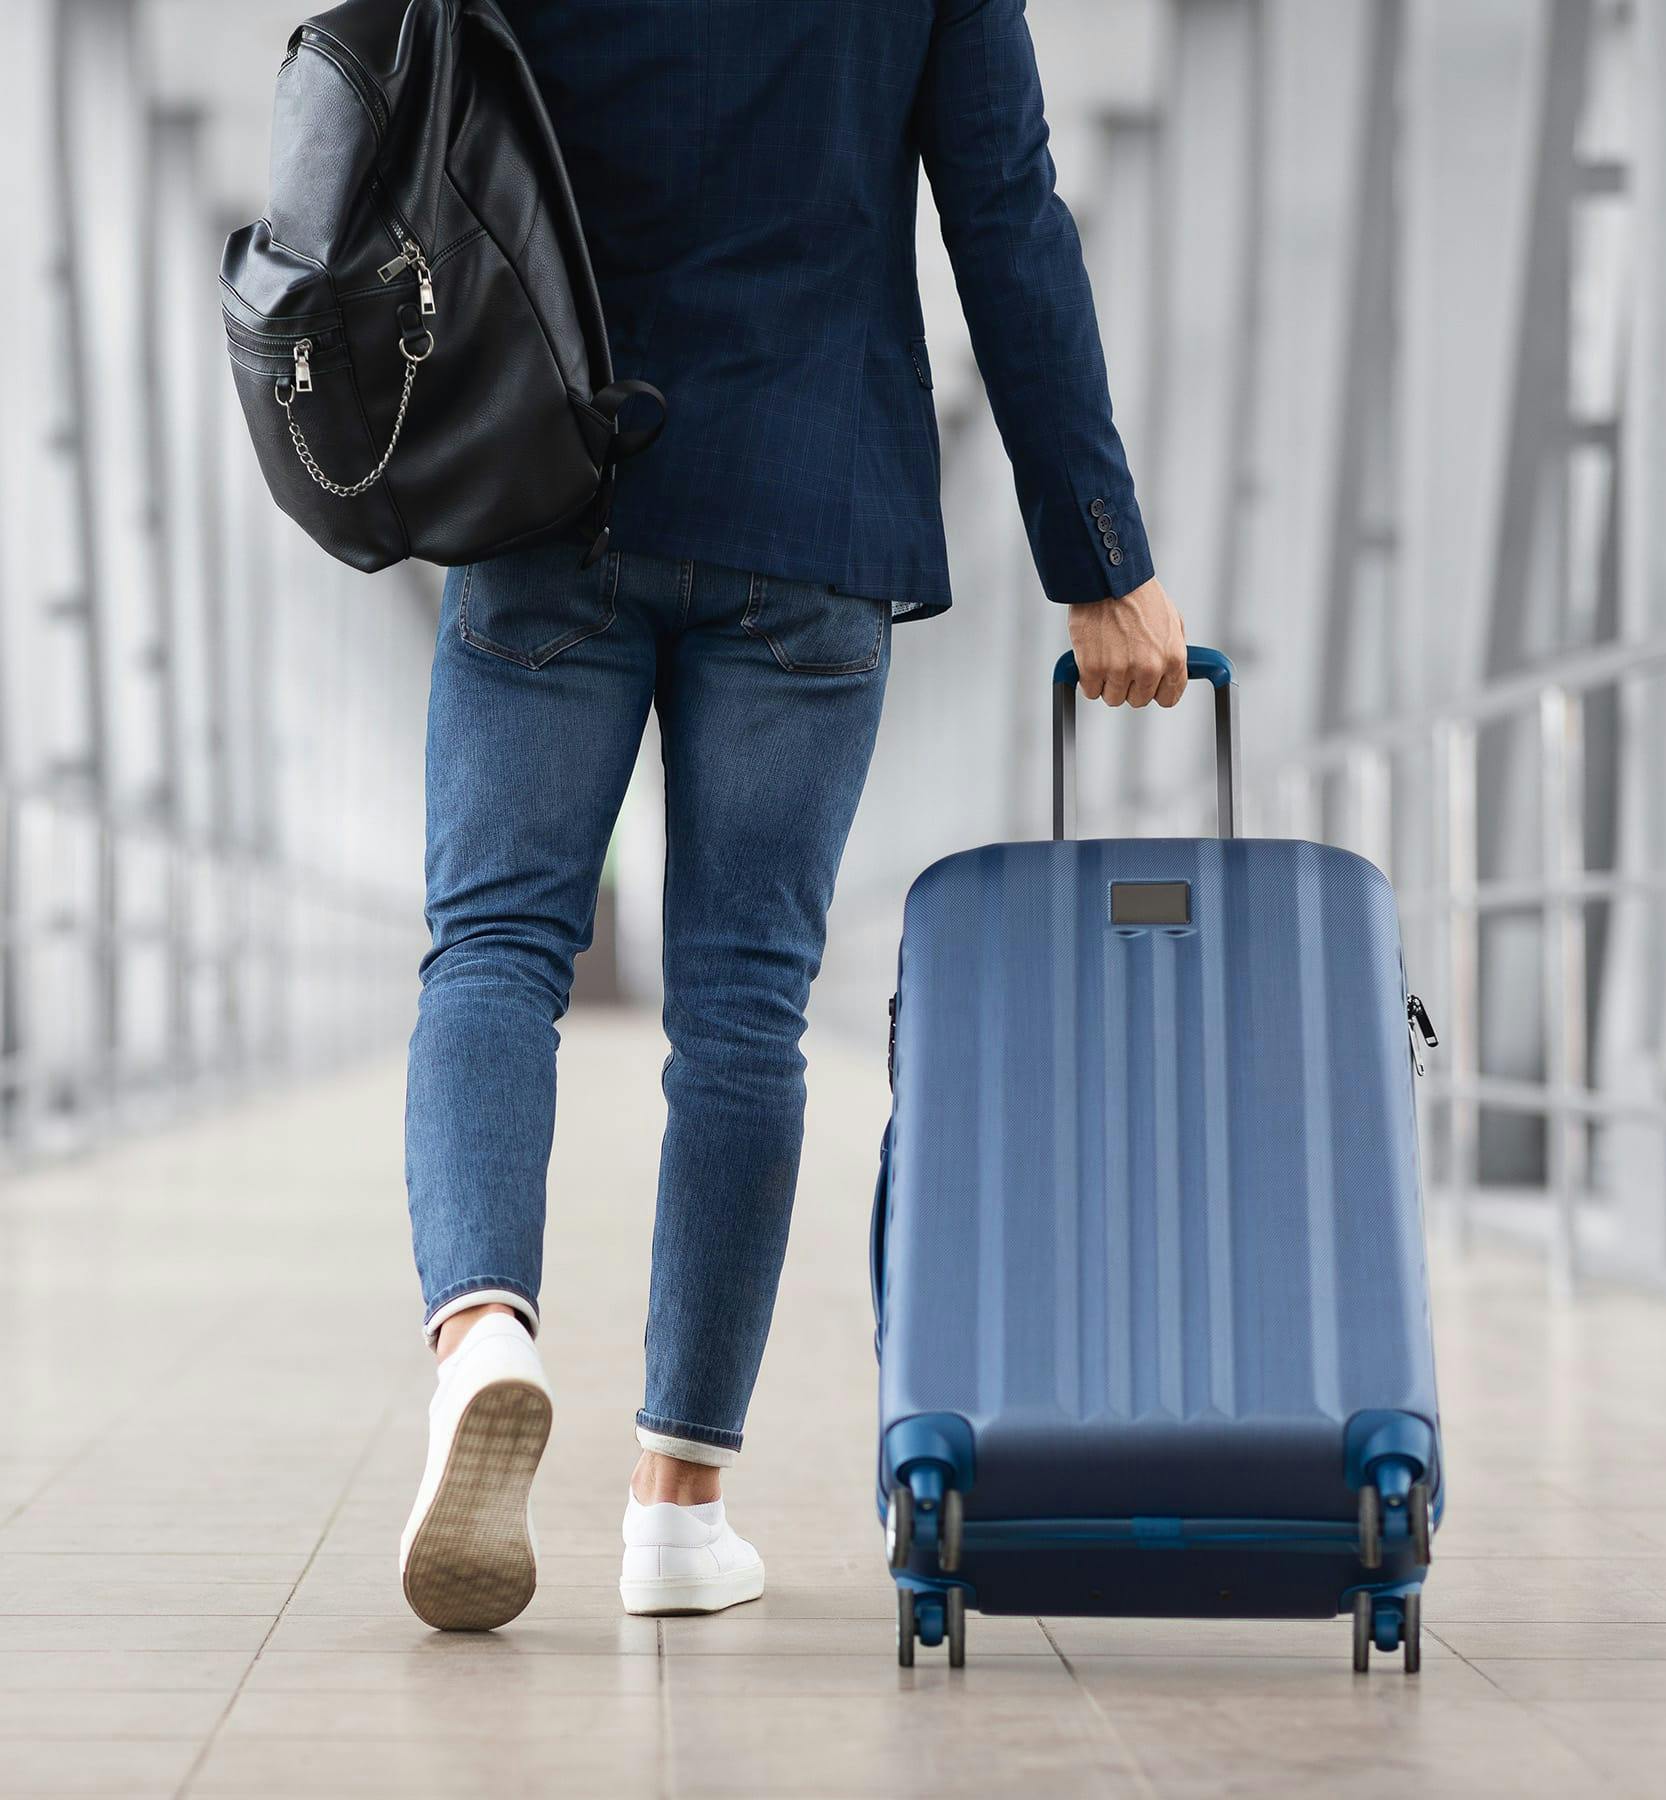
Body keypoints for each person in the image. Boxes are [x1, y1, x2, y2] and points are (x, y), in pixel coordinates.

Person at [399, 0, 1190, 1631]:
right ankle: (677, 1509)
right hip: (807, 505)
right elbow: (1004, 214)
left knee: (491, 949)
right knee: (744, 1010)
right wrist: (1098, 557)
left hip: (547, 477)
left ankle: (482, 1334)